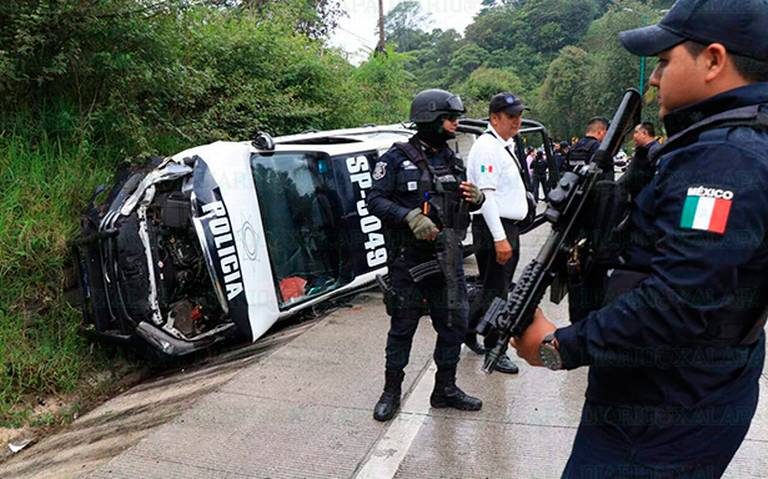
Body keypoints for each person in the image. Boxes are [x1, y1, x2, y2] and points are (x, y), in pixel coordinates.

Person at [509, 0, 768, 477]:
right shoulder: (719, 142)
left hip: (663, 413)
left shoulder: (724, 158)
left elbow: (680, 300)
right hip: (672, 395)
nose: (653, 78)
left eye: (666, 62)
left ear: (713, 60)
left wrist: (560, 346)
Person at [368, 88, 486, 422]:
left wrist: (477, 198)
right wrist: (409, 216)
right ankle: (391, 392)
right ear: (430, 119)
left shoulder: (450, 159)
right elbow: (374, 200)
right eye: (450, 118)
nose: (455, 124)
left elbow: (466, 200)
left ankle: (444, 390)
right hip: (409, 260)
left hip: (447, 259)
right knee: (402, 327)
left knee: (453, 324)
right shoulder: (394, 158)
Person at [464, 92, 532, 374]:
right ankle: (495, 346)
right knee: (498, 293)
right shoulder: (488, 148)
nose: (517, 121)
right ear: (494, 118)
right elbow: (487, 197)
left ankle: (468, 329)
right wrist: (500, 238)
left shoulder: (502, 145)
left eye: (518, 115)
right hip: (496, 227)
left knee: (494, 288)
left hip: (503, 227)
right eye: (510, 116)